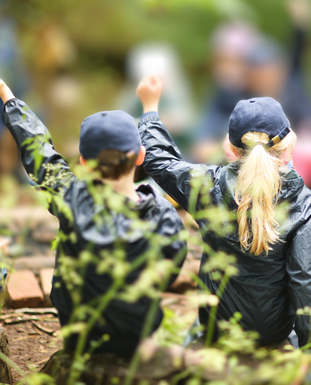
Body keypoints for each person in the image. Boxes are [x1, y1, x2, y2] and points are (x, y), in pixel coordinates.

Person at [137, 75, 311, 347]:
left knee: (194, 325)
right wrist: (309, 346)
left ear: (231, 148)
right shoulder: (302, 201)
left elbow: (159, 161)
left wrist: (150, 109)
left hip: (219, 326)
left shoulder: (207, 186)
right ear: (288, 144)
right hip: (272, 332)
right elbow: (308, 282)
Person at [0, 78, 187, 355]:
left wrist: (9, 98)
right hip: (138, 334)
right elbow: (169, 270)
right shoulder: (163, 215)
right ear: (140, 157)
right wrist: (150, 106)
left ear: (84, 163)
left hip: (80, 335)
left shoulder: (70, 198)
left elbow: (40, 154)